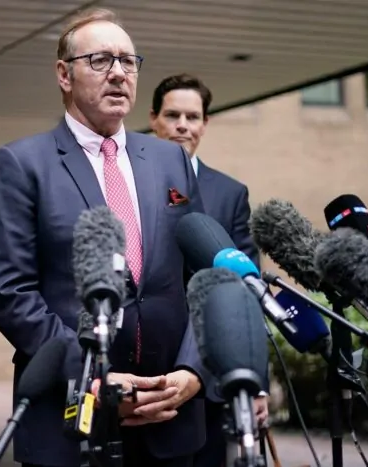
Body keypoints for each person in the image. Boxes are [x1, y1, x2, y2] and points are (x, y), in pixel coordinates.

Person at [0, 7, 210, 467]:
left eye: (128, 61)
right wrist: (93, 378)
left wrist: (193, 370)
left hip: (170, 417)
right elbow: (10, 293)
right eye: (101, 60)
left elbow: (204, 276)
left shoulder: (170, 161)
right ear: (64, 75)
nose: (119, 73)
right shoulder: (22, 164)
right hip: (69, 420)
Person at [150, 73, 268, 467]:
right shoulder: (129, 183)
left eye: (193, 117)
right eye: (173, 115)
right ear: (153, 119)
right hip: (148, 372)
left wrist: (258, 383)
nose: (183, 125)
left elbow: (247, 285)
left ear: (205, 123)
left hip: (213, 370)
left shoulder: (230, 193)